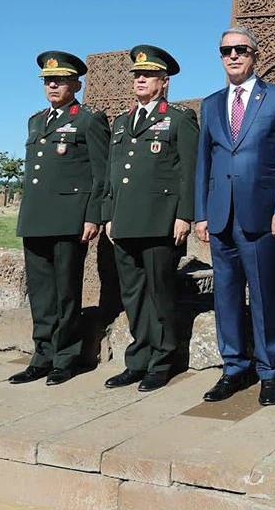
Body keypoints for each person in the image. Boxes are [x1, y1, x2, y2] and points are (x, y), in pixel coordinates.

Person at [194, 27, 275, 407]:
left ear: (255, 55)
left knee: (263, 294)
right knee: (224, 296)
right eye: (226, 51)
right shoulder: (210, 104)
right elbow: (203, 162)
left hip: (261, 215)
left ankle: (270, 371)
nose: (233, 56)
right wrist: (201, 214)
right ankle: (234, 368)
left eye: (241, 50)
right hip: (221, 215)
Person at [101, 44, 198, 393]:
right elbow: (114, 173)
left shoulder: (178, 118)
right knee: (134, 297)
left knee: (160, 294)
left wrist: (184, 215)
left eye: (148, 74)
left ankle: (162, 360)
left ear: (164, 81)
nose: (140, 79)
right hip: (125, 222)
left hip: (161, 222)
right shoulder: (122, 122)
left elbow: (190, 171)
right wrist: (109, 215)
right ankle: (137, 360)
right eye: (136, 75)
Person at [11, 51, 110, 386]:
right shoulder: (36, 120)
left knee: (67, 292)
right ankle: (41, 356)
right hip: (36, 218)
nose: (53, 85)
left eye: (60, 80)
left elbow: (101, 173)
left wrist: (92, 216)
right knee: (40, 293)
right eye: (48, 81)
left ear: (76, 84)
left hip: (70, 219)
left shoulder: (88, 119)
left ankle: (65, 358)